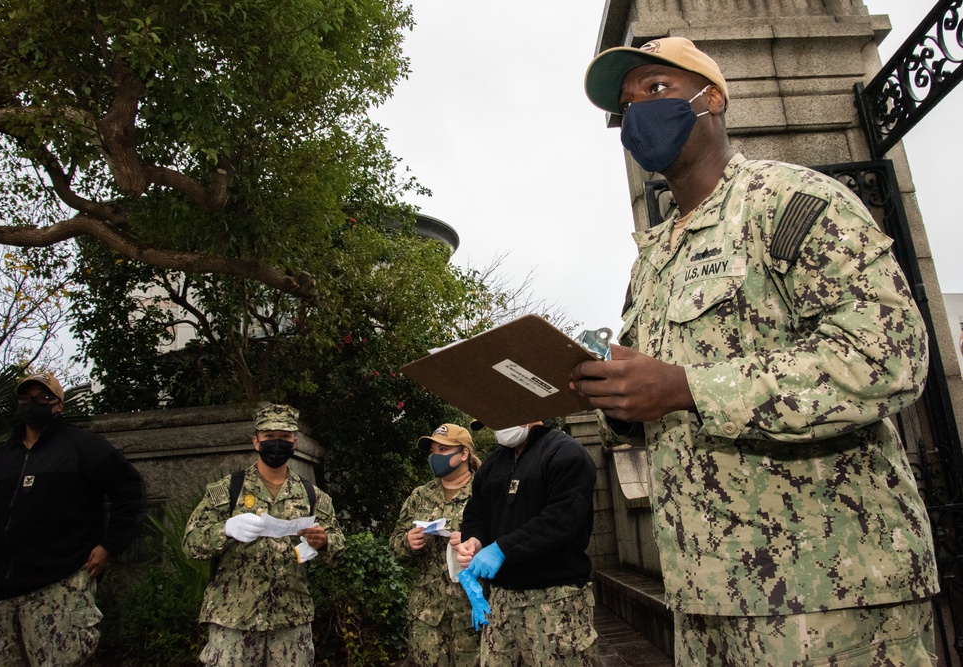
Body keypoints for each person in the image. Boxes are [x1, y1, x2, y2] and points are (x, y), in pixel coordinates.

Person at [575, 37, 940, 664]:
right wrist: (622, 404)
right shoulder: (653, 259)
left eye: (656, 90)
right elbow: (661, 407)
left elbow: (889, 356)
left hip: (829, 592)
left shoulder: (792, 203)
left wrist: (690, 386)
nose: (638, 113)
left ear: (711, 98)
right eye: (625, 108)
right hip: (704, 599)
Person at [0, 371, 147, 666]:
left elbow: (131, 491)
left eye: (43, 397)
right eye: (26, 397)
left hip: (56, 588)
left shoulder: (83, 447)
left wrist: (110, 546)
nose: (33, 403)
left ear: (59, 404)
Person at [183, 403, 345, 667]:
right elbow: (191, 543)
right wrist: (225, 530)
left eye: (284, 437)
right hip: (234, 621)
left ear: (294, 442)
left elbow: (338, 548)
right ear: (256, 442)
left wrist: (325, 541)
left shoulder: (313, 496)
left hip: (291, 622)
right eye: (270, 437)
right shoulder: (227, 490)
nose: (277, 443)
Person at [453, 420, 597, 666]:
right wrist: (474, 540)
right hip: (500, 603)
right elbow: (476, 514)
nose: (499, 426)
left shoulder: (565, 453)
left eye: (501, 417)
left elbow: (562, 517)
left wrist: (502, 549)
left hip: (554, 601)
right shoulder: (492, 464)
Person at [390, 423, 483, 667]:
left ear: (463, 454)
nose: (435, 457)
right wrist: (408, 542)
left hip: (473, 613)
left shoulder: (484, 491)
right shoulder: (420, 495)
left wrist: (476, 544)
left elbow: (503, 541)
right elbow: (395, 546)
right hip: (427, 615)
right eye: (433, 451)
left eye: (443, 450)